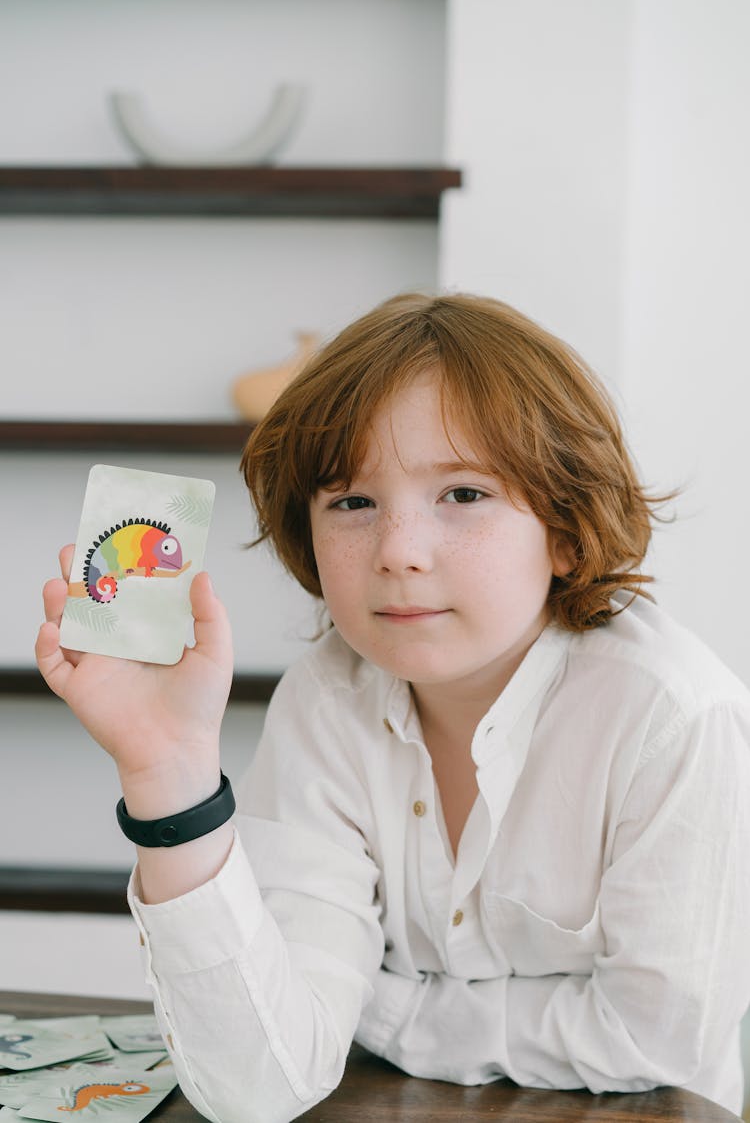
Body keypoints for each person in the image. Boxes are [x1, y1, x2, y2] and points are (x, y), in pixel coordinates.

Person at [36, 293, 750, 1123]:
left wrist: (384, 1010)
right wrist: (168, 775)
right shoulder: (326, 698)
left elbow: (654, 1039)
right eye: (352, 503)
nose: (399, 553)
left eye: (465, 495)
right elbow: (263, 1082)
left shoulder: (674, 718)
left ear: (564, 526)